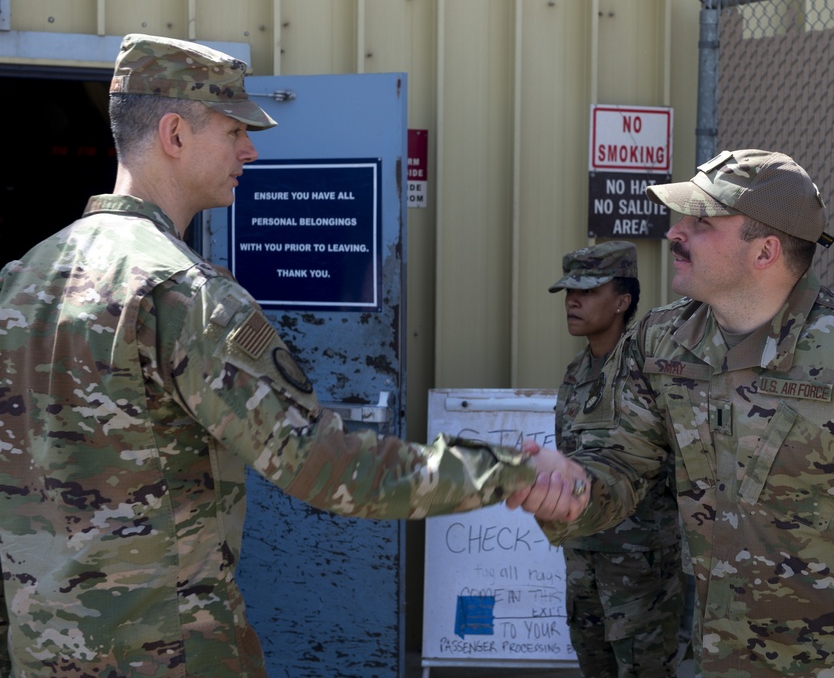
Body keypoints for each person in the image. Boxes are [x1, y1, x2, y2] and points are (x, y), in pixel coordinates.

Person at [0, 33, 586, 677]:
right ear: (174, 134)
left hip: (44, 649)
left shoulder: (24, 278)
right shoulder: (186, 295)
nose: (250, 149)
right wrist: (512, 472)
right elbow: (324, 468)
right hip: (165, 653)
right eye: (232, 131)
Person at [539, 149, 834, 676]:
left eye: (702, 222)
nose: (674, 233)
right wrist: (567, 487)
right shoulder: (660, 341)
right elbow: (621, 466)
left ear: (765, 251)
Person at [549, 241, 684, 677]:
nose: (573, 300)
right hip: (584, 555)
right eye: (570, 291)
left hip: (638, 564)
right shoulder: (576, 372)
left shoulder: (650, 370)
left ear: (623, 301)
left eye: (587, 291)